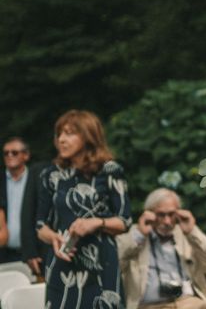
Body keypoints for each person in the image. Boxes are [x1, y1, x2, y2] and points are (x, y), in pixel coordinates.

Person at [37, 110, 132, 308]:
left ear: (88, 136)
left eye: (69, 133)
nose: (61, 140)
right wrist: (53, 238)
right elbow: (40, 225)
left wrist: (97, 222)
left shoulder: (109, 171)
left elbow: (125, 221)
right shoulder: (50, 174)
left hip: (101, 263)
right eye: (59, 134)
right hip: (62, 261)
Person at [117, 188, 206, 309]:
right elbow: (114, 266)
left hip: (189, 303)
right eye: (161, 215)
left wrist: (192, 232)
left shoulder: (186, 233)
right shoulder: (134, 234)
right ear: (149, 213)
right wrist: (139, 235)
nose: (167, 221)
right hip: (149, 306)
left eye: (171, 214)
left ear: (178, 213)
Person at [0, 137, 47, 277]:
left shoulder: (38, 180)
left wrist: (35, 251)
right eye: (6, 153)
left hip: (32, 254)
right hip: (4, 254)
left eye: (14, 152)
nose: (9, 156)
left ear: (26, 155)